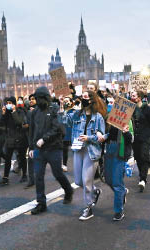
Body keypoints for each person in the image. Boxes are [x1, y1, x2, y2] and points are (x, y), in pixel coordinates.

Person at [60, 90, 106, 220]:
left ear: (92, 100)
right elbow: (65, 121)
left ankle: (88, 207)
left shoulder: (98, 117)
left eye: (86, 97)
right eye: (82, 97)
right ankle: (95, 191)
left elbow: (102, 137)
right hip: (78, 150)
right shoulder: (76, 115)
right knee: (79, 181)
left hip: (91, 151)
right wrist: (62, 106)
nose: (83, 99)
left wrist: (89, 138)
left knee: (86, 181)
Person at [28, 86, 74, 215]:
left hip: (54, 148)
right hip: (39, 150)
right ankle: (41, 203)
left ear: (44, 98)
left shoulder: (54, 109)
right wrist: (31, 147)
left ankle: (68, 190)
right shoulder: (34, 112)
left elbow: (58, 128)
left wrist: (44, 139)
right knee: (38, 176)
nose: (36, 100)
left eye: (38, 98)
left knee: (57, 174)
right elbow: (32, 131)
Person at [98, 117, 133, 222]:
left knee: (117, 183)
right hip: (109, 150)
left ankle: (118, 211)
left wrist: (126, 132)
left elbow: (131, 138)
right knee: (108, 180)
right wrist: (103, 136)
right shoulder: (111, 119)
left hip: (120, 153)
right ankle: (122, 192)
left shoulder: (128, 121)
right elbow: (109, 134)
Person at [0, 97, 29, 186]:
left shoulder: (20, 111)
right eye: (7, 102)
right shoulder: (6, 113)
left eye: (10, 102)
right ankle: (5, 177)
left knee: (22, 157)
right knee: (7, 158)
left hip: (20, 137)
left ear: (14, 103)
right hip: (10, 138)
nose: (8, 104)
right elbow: (1, 124)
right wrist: (3, 114)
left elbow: (19, 122)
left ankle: (24, 175)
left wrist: (14, 111)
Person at [130, 90, 150, 192]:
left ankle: (143, 179)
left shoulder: (147, 109)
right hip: (134, 137)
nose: (132, 97)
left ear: (139, 97)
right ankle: (142, 173)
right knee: (137, 157)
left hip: (145, 137)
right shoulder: (130, 108)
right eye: (131, 95)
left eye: (134, 95)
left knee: (144, 155)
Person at [24, 94, 37, 189]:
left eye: (33, 99)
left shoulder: (42, 110)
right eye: (30, 99)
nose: (31, 101)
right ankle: (31, 180)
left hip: (42, 140)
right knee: (31, 160)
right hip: (32, 139)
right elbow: (28, 125)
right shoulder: (28, 112)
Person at [60, 96, 76, 172]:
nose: (66, 102)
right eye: (64, 101)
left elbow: (69, 121)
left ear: (71, 102)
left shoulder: (73, 111)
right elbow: (60, 120)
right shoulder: (61, 110)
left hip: (72, 132)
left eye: (67, 101)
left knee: (74, 150)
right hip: (64, 132)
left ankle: (77, 165)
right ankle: (64, 164)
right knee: (64, 149)